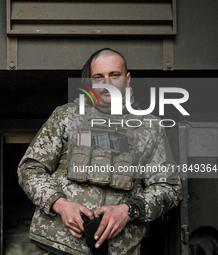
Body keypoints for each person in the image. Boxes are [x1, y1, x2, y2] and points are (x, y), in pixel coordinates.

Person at [17, 48, 182, 255]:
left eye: (115, 75)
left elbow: (169, 188)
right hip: (59, 245)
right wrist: (60, 204)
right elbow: (30, 168)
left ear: (127, 79)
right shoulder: (66, 116)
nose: (107, 83)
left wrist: (129, 211)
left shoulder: (150, 127)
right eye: (99, 77)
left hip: (119, 248)